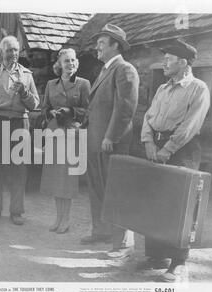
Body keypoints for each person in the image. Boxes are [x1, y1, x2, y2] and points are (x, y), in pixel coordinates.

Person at [139, 39, 210, 282]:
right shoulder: (162, 88)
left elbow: (190, 126)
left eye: (168, 59)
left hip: (183, 150)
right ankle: (156, 255)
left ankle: (179, 261)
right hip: (156, 146)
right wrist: (148, 142)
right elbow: (149, 116)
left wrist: (167, 149)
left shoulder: (198, 88)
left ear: (182, 62)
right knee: (155, 200)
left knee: (182, 205)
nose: (164, 63)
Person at [82, 24, 139, 259]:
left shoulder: (125, 69)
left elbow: (125, 107)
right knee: (97, 188)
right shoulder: (106, 70)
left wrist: (110, 136)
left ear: (116, 45)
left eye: (102, 43)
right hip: (96, 141)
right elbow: (98, 106)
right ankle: (102, 232)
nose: (97, 47)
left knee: (116, 191)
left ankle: (123, 243)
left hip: (110, 142)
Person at [0, 35, 39, 225]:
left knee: (19, 169)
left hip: (20, 122)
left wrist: (24, 92)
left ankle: (16, 212)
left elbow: (35, 104)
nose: (13, 54)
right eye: (9, 50)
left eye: (16, 50)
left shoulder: (27, 75)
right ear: (2, 52)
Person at [40, 48, 91, 234]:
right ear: (59, 65)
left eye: (72, 60)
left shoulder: (83, 84)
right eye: (66, 61)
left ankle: (67, 218)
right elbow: (44, 107)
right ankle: (58, 217)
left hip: (71, 132)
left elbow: (89, 110)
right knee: (55, 176)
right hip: (54, 131)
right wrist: (50, 113)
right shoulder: (50, 85)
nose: (70, 64)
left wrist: (72, 112)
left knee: (67, 178)